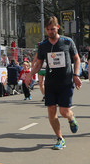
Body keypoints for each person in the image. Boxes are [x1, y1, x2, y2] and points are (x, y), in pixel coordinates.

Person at [31, 16, 82, 150]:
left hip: (66, 82)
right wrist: (30, 75)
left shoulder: (67, 42)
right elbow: (39, 64)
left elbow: (77, 59)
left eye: (52, 29)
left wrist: (76, 75)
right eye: (48, 29)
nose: (50, 32)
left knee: (64, 111)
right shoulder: (43, 45)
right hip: (50, 83)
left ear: (58, 27)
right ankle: (60, 138)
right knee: (51, 110)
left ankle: (71, 118)